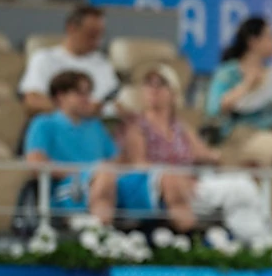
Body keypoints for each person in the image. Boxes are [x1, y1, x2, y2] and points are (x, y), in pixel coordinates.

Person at [24, 70, 195, 230]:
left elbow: (118, 160)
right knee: (105, 174)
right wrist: (88, 172)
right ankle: (102, 237)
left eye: (88, 93)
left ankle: (189, 240)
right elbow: (36, 164)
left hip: (109, 181)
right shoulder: (43, 124)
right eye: (80, 93)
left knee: (169, 177)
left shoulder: (95, 126)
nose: (87, 99)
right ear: (61, 96)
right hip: (69, 189)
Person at [121, 63, 272, 239]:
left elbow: (208, 155)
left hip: (193, 184)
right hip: (159, 187)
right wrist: (172, 175)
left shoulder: (180, 128)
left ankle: (259, 239)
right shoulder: (137, 126)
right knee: (236, 190)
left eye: (160, 84)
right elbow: (138, 164)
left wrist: (236, 163)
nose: (153, 89)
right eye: (148, 84)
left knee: (243, 185)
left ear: (173, 92)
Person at [206, 17, 272, 143]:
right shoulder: (228, 73)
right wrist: (247, 85)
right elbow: (214, 109)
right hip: (242, 134)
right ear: (253, 42)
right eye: (270, 37)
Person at [19, 5, 118, 115]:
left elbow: (112, 101)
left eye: (101, 35)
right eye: (91, 35)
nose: (98, 42)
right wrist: (75, 112)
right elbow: (33, 100)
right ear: (71, 28)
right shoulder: (44, 59)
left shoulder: (103, 63)